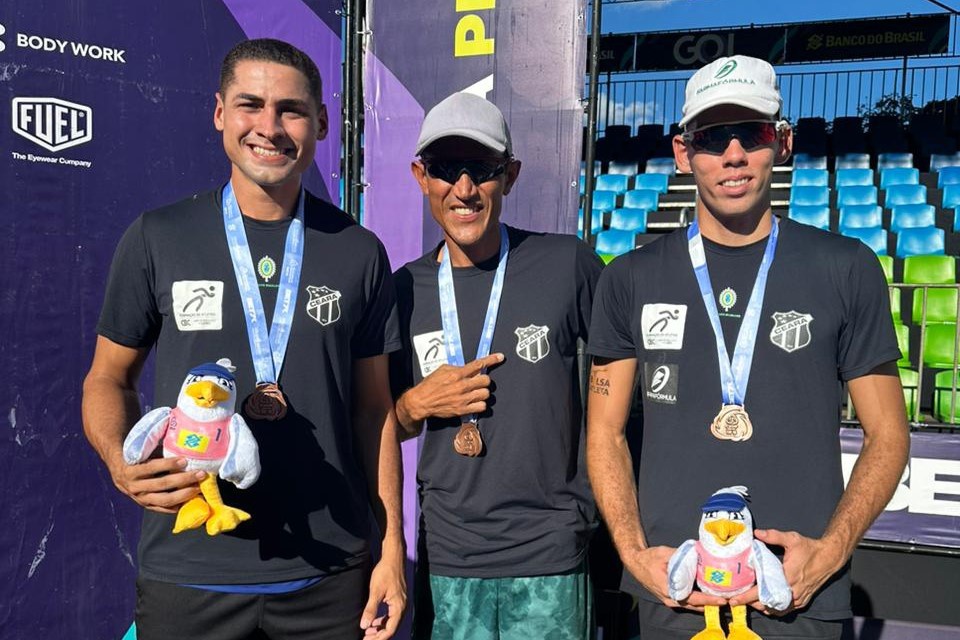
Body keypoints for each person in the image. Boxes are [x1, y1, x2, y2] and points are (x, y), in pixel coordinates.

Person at [81, 38, 406, 640]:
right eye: (250, 105)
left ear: (321, 123)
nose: (270, 127)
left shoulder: (358, 250)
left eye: (291, 109)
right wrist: (119, 463)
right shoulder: (159, 236)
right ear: (219, 114)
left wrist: (390, 549)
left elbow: (374, 412)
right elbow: (108, 377)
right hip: (188, 573)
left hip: (328, 577)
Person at [585, 55, 909, 640]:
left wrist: (830, 554)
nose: (733, 155)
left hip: (799, 599)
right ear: (683, 153)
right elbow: (604, 434)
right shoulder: (629, 277)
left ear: (783, 142)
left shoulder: (846, 267)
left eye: (753, 133)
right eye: (711, 138)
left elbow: (889, 435)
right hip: (676, 596)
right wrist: (635, 555)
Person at [390, 92, 603, 639]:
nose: (463, 189)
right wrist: (415, 403)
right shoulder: (402, 290)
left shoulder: (568, 264)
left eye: (481, 169)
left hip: (551, 554)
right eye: (444, 169)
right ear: (420, 176)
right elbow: (378, 423)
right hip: (449, 559)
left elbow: (619, 395)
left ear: (509, 176)